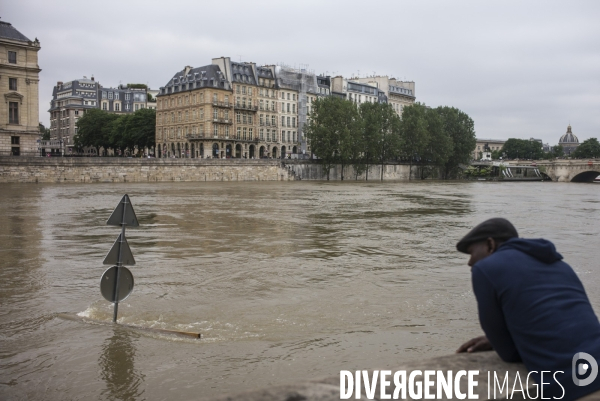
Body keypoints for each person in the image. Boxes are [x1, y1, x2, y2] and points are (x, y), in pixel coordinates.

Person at [456, 218, 600, 400]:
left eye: (471, 252)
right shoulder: (561, 266)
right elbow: (565, 321)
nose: (470, 262)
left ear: (490, 245)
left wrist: (501, 339)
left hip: (576, 387)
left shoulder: (486, 269)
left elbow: (508, 353)